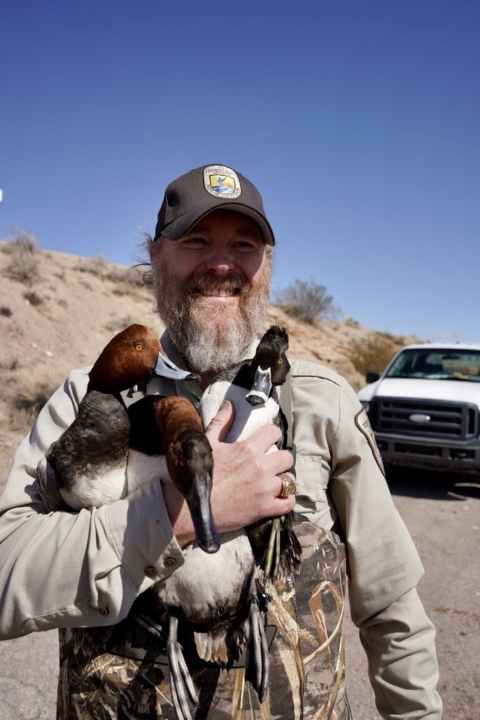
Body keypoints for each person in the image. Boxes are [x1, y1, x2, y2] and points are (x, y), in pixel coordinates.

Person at [0, 164, 442, 719]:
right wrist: (169, 518)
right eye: (196, 241)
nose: (221, 263)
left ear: (266, 267)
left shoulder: (321, 402)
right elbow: (4, 575)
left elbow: (392, 609)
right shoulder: (86, 401)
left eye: (243, 243)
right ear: (155, 258)